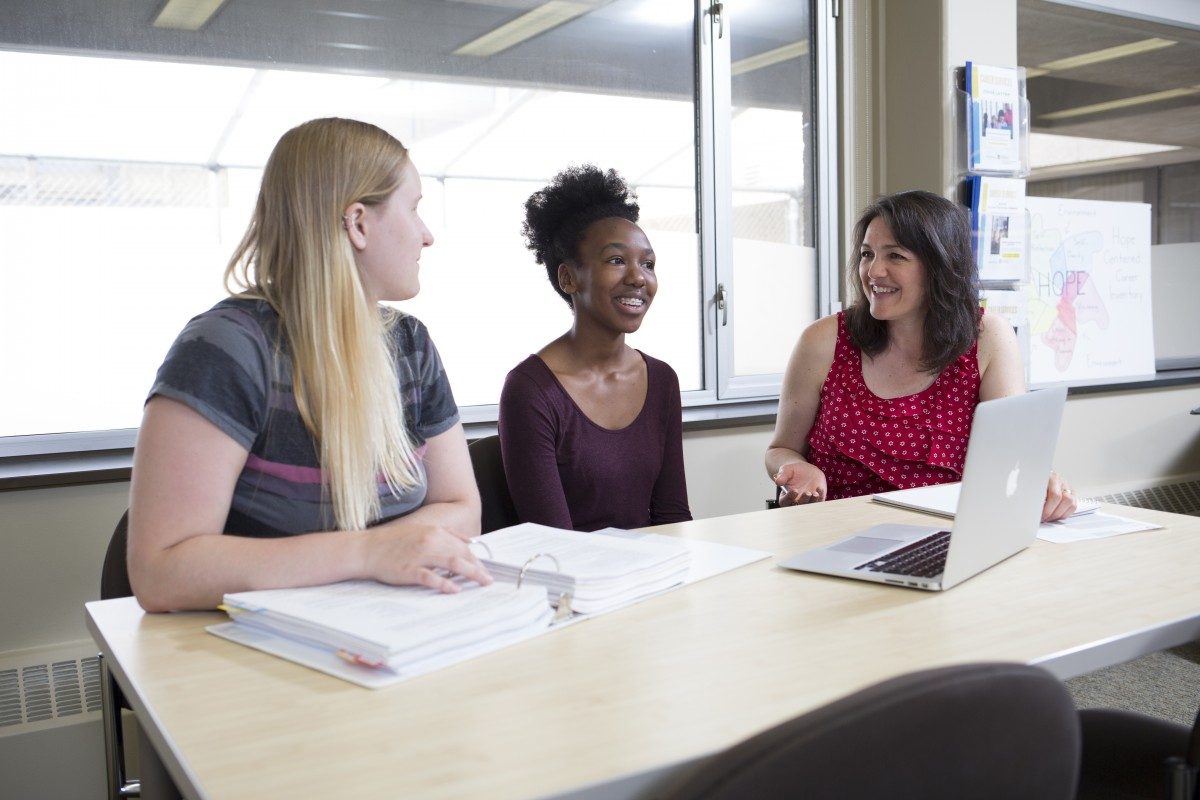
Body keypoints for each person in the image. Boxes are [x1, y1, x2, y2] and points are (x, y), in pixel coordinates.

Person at [128, 117, 492, 613]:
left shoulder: (411, 345)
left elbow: (463, 510)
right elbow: (160, 572)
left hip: (398, 629)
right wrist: (368, 552)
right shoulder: (225, 348)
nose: (427, 236)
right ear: (358, 223)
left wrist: (379, 555)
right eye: (414, 209)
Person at [765, 190, 1076, 522]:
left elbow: (1014, 455)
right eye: (867, 254)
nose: (873, 271)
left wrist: (1041, 480)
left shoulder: (987, 337)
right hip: (831, 535)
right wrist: (795, 468)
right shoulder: (823, 340)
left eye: (895, 256)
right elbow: (780, 449)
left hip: (945, 539)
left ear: (939, 266)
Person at [498, 165, 692, 531]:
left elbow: (673, 518)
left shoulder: (662, 379)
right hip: (574, 583)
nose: (638, 278)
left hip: (657, 576)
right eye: (616, 260)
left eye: (648, 264)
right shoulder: (530, 389)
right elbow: (554, 541)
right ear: (568, 277)